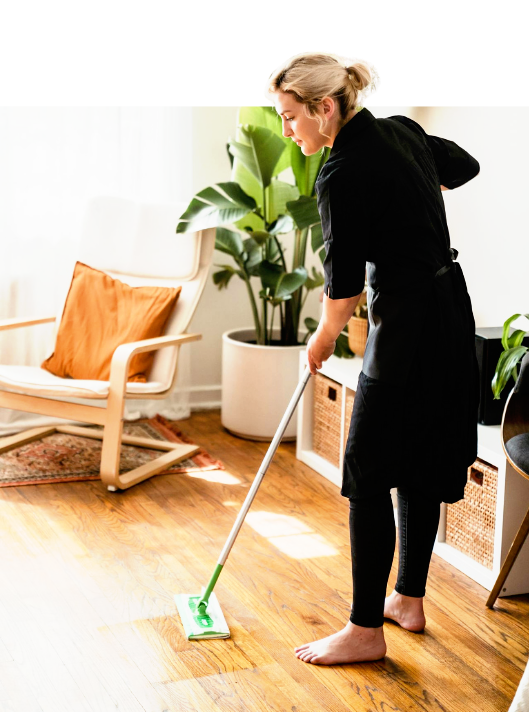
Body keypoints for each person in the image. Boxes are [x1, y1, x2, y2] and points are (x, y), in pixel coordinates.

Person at [263, 51, 481, 665]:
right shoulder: (401, 131)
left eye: (290, 116)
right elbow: (464, 166)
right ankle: (407, 599)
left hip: (408, 324)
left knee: (365, 469)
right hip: (448, 311)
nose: (287, 131)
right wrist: (412, 195)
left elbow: (344, 286)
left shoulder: (342, 170)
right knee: (414, 458)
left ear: (325, 108)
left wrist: (322, 338)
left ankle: (365, 629)